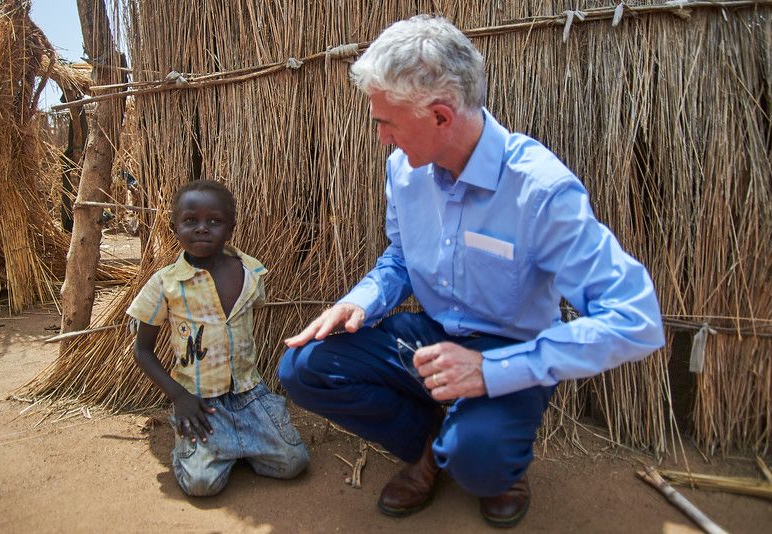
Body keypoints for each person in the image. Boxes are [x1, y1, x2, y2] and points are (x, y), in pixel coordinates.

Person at [278, 15, 664, 528]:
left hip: (510, 347)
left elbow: (637, 320)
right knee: (304, 368)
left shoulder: (540, 190)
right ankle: (434, 444)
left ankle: (476, 450)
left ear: (440, 115)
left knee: (479, 467)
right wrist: (361, 301)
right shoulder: (404, 170)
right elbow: (399, 260)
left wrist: (491, 372)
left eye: (386, 122)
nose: (380, 138)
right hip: (430, 339)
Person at [128, 179, 308, 497]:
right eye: (190, 221)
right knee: (201, 485)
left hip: (249, 394)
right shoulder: (165, 284)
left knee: (293, 462)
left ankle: (233, 447)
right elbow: (142, 350)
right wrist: (179, 398)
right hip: (199, 402)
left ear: (231, 227)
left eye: (214, 221)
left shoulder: (252, 274)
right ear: (173, 226)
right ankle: (219, 449)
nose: (202, 228)